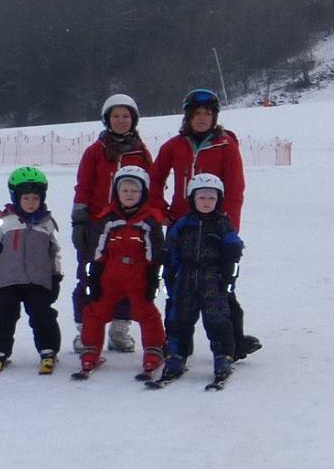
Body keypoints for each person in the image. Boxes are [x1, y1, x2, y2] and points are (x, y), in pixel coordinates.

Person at [153, 89, 257, 357]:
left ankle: (235, 341)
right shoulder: (174, 146)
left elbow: (235, 190)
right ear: (187, 117)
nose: (201, 118)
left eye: (207, 114)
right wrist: (158, 209)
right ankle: (175, 343)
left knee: (221, 287)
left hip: (215, 228)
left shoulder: (226, 147)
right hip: (181, 226)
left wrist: (229, 228)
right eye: (196, 114)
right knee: (175, 286)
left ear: (215, 117)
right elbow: (155, 179)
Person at [73, 94, 155, 355]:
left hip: (129, 226)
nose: (121, 121)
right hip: (97, 225)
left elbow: (152, 187)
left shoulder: (140, 152)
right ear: (107, 119)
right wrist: (79, 220)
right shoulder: (95, 151)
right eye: (116, 116)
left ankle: (120, 329)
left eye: (126, 116)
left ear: (134, 120)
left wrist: (150, 220)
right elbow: (84, 186)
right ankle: (85, 330)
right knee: (89, 277)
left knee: (129, 276)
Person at [74, 168, 167, 379]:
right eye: (124, 190)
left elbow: (155, 253)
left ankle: (153, 350)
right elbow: (97, 251)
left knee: (148, 314)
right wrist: (94, 277)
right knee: (95, 312)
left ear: (143, 193)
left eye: (134, 191)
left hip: (138, 277)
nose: (129, 194)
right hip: (110, 276)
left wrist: (153, 277)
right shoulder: (107, 218)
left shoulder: (150, 220)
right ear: (116, 192)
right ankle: (90, 351)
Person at [0, 166, 64, 376]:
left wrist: (56, 276)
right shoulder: (4, 222)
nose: (31, 203)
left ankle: (48, 349)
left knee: (43, 314)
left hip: (38, 280)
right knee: (3, 315)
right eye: (26, 198)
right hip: (7, 280)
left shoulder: (47, 224)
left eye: (36, 198)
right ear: (16, 198)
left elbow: (55, 252)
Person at [158, 174, 243, 385]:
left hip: (212, 279)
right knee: (179, 319)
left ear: (218, 201)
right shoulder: (183, 224)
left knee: (217, 319)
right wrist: (169, 266)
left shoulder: (222, 224)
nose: (206, 202)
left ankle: (223, 356)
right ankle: (177, 355)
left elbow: (233, 241)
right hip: (185, 278)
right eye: (202, 198)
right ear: (192, 199)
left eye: (211, 198)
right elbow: (171, 246)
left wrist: (232, 252)